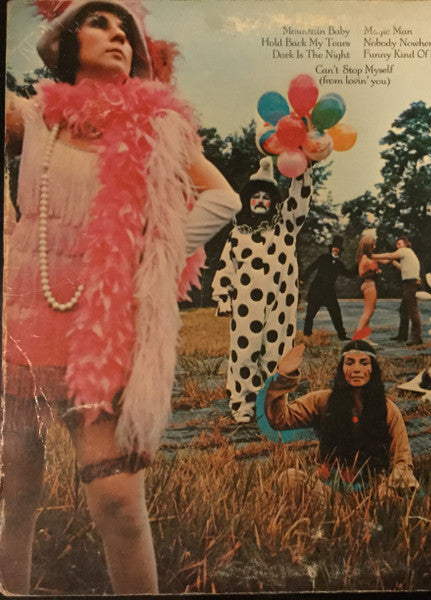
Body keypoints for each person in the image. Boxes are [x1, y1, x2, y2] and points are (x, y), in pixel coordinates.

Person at [2, 1, 240, 594]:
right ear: (67, 41)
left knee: (119, 505)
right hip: (23, 327)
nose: (117, 36)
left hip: (102, 333)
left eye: (126, 30)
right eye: (99, 23)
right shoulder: (33, 117)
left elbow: (223, 199)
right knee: (13, 496)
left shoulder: (157, 127)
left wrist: (151, 252)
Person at [212, 157, 312, 423]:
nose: (259, 201)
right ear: (247, 201)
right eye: (255, 196)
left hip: (280, 303)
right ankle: (242, 403)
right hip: (246, 303)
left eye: (265, 197)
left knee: (277, 354)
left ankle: (272, 405)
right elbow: (226, 265)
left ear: (273, 202)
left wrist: (303, 172)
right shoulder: (238, 233)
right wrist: (223, 296)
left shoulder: (286, 225)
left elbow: (299, 201)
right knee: (244, 353)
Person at [263, 340, 419, 497]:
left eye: (364, 363)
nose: (356, 369)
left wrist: (386, 488)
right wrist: (284, 377)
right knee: (289, 477)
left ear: (373, 369)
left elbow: (402, 462)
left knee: (404, 482)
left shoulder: (389, 410)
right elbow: (279, 419)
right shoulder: (322, 401)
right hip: (329, 491)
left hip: (374, 492)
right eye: (349, 362)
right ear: (341, 369)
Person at [302, 235, 354, 341]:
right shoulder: (323, 258)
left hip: (329, 292)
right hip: (317, 290)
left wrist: (360, 267)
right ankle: (307, 335)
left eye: (338, 248)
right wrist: (303, 279)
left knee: (336, 314)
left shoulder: (339, 264)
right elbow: (312, 267)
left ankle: (342, 335)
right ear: (331, 248)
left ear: (340, 250)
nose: (336, 249)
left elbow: (349, 274)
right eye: (334, 247)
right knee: (310, 314)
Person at [373, 236, 423, 346]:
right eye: (397, 245)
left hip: (411, 283)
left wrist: (373, 255)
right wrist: (377, 258)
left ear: (406, 244)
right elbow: (390, 262)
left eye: (399, 244)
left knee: (412, 310)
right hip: (409, 283)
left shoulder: (405, 250)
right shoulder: (406, 254)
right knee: (403, 310)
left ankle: (417, 338)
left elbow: (390, 255)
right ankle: (402, 335)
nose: (398, 246)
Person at [354, 229, 381, 341]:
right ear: (368, 246)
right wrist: (374, 270)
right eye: (373, 245)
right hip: (369, 284)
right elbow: (362, 273)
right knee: (368, 312)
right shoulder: (366, 258)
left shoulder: (366, 257)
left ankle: (365, 338)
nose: (375, 246)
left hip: (369, 284)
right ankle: (357, 338)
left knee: (369, 312)